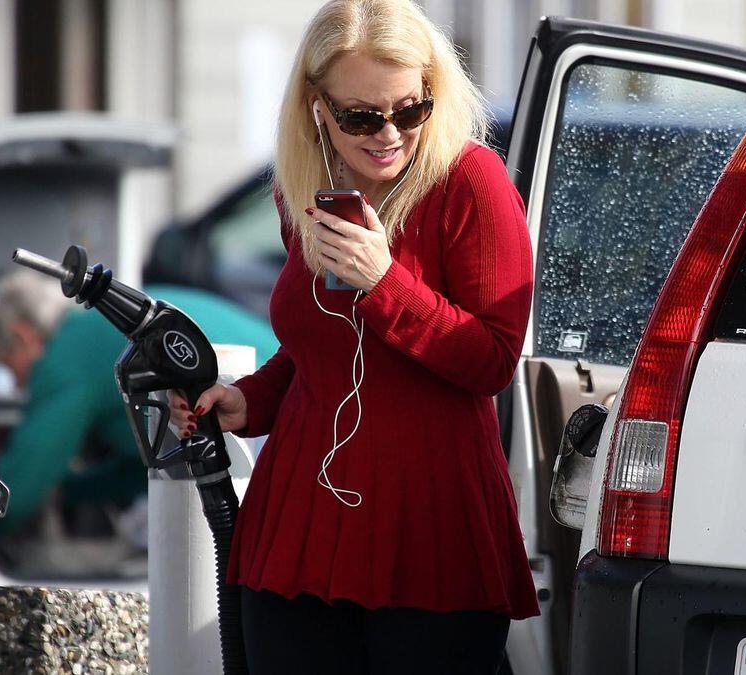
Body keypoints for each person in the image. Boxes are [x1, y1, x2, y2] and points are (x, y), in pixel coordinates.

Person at [168, 0, 539, 671]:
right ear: (317, 106)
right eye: (361, 116)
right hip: (303, 518)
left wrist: (384, 280)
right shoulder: (306, 191)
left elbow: (491, 360)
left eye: (410, 109)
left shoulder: (471, 184)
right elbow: (322, 349)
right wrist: (249, 399)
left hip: (429, 528)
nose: (389, 133)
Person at [0, 270, 279, 578]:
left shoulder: (68, 350)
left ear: (23, 336)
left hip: (254, 427)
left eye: (9, 367)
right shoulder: (102, 326)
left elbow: (22, 480)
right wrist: (73, 491)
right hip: (277, 413)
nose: (17, 387)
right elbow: (150, 465)